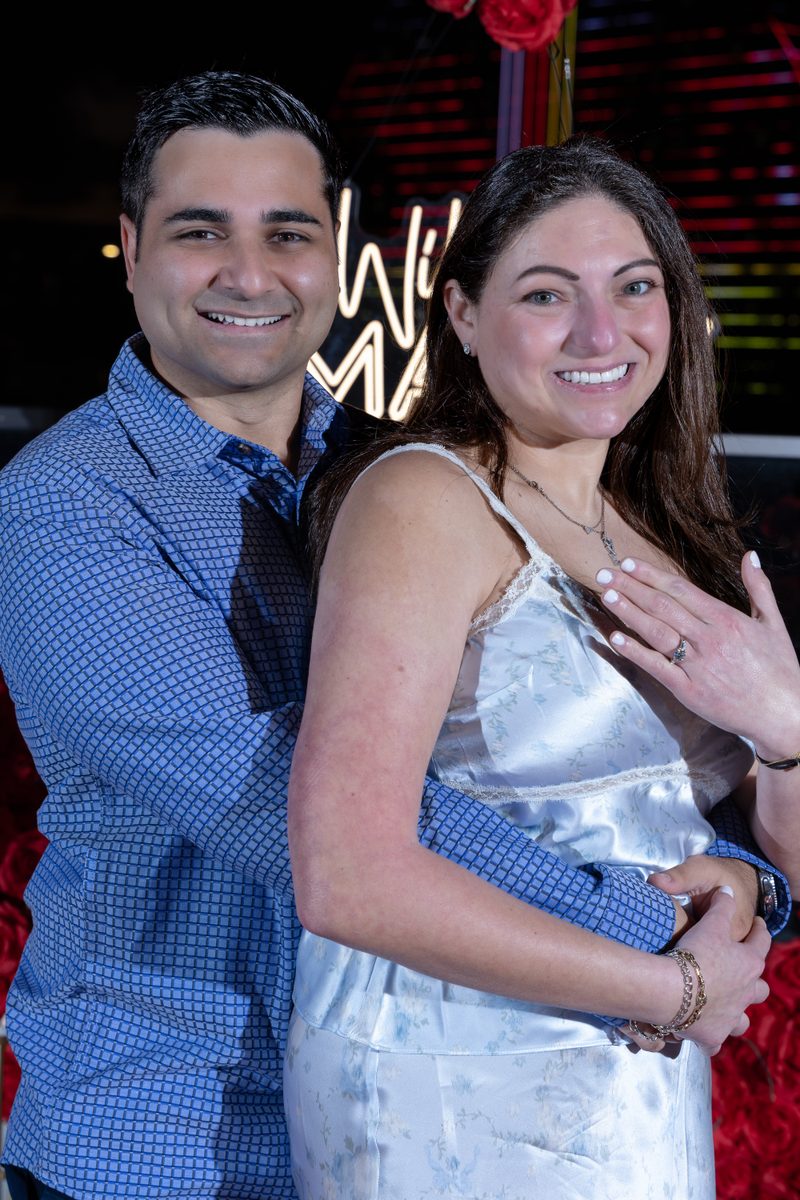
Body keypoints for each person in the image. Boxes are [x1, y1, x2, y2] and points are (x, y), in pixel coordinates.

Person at [0, 74, 787, 1200]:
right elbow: (300, 811)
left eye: (287, 231)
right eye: (196, 232)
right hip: (175, 1128)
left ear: (340, 251)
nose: (249, 272)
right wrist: (653, 928)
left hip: (467, 1078)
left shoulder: (402, 471)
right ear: (128, 250)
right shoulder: (67, 506)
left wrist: (746, 874)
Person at [285, 137, 800, 1199]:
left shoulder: (659, 532)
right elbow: (343, 875)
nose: (599, 332)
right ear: (464, 316)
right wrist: (673, 988)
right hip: (452, 1080)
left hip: (634, 1082)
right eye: (546, 294)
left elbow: (773, 863)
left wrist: (784, 731)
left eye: (632, 287)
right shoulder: (421, 500)